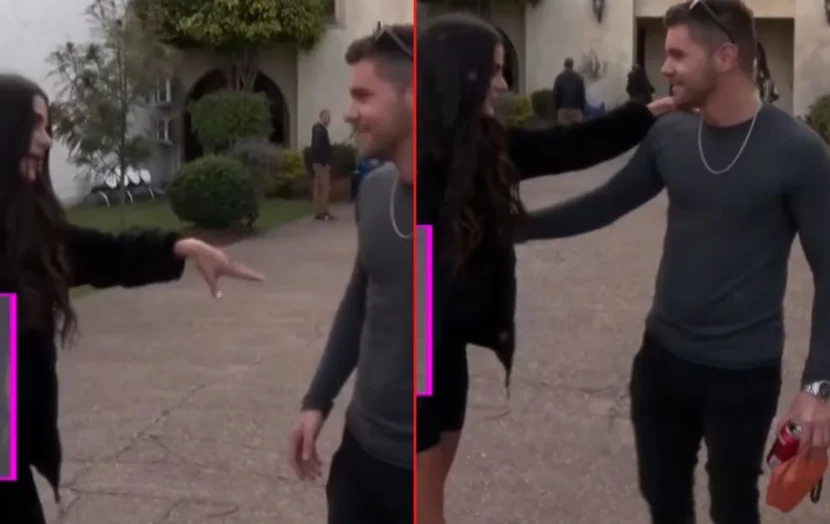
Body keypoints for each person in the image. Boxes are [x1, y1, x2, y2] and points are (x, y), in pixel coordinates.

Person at [523, 2, 830, 523]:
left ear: (726, 57)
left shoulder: (800, 152)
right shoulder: (669, 135)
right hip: (662, 360)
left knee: (733, 506)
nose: (664, 68)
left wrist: (817, 388)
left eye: (678, 55)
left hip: (743, 372)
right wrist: (517, 228)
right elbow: (605, 203)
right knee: (662, 498)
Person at [415, 13, 676, 524]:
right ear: (462, 73)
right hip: (418, 365)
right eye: (493, 71)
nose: (502, 83)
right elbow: (415, 304)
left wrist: (645, 115)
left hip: (448, 359)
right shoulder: (419, 170)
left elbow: (565, 147)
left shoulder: (485, 143)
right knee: (422, 505)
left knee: (430, 495)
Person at [0, 74, 263, 523]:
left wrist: (180, 247)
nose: (47, 139)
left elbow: (106, 254)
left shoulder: (30, 228)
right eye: (35, 125)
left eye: (48, 126)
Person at [289, 23, 414, 524]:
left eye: (363, 96)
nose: (348, 112)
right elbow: (360, 301)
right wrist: (317, 401)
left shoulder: (459, 208)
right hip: (358, 455)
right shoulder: (376, 190)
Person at [310, 109, 334, 220]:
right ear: (321, 117)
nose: (328, 119)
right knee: (324, 187)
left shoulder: (319, 129)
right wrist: (324, 162)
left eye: (328, 117)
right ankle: (324, 212)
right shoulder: (319, 129)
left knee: (319, 187)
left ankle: (318, 212)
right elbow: (317, 146)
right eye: (326, 117)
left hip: (318, 163)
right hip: (321, 164)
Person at [552, 57, 586, 124]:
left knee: (564, 129)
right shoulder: (579, 78)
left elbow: (556, 94)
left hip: (563, 109)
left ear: (564, 65)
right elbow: (582, 95)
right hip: (576, 109)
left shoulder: (559, 78)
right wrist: (582, 108)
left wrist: (557, 108)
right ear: (572, 65)